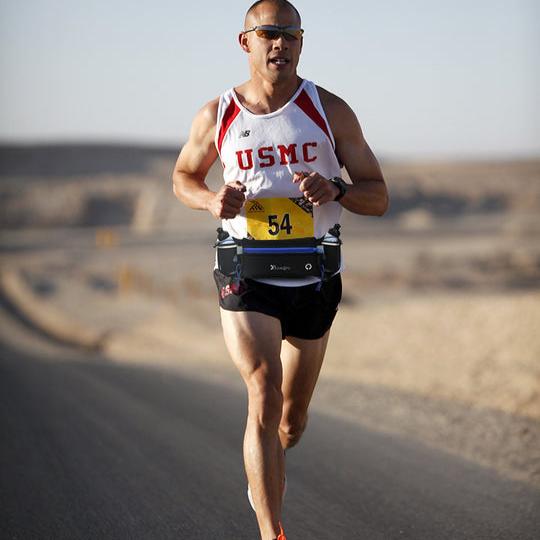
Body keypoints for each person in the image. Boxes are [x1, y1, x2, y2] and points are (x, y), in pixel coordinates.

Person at [172, 1, 388, 538]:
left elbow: (379, 196)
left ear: (301, 43)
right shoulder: (217, 114)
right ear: (244, 42)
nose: (281, 44)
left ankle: (273, 458)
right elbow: (183, 175)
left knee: (290, 419)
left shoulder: (329, 111)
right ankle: (272, 531)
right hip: (245, 269)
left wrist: (336, 189)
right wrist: (210, 201)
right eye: (269, 33)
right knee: (263, 390)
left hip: (313, 274)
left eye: (292, 35)